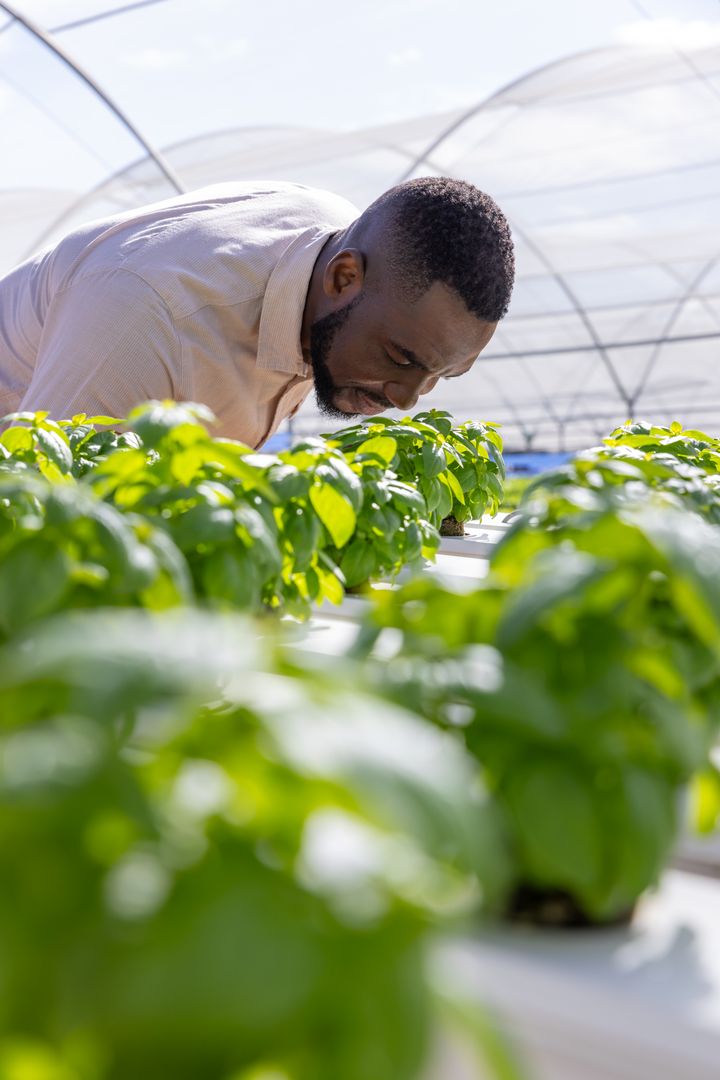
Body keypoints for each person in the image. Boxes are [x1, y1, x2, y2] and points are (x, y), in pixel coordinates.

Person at [0, 176, 514, 448]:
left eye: (440, 376)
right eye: (402, 358)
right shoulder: (146, 316)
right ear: (342, 278)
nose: (407, 401)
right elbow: (48, 522)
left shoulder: (335, 256)